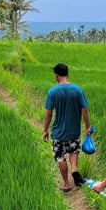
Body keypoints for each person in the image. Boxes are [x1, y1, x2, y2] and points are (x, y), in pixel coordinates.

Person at [42, 63, 91, 192]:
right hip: (74, 130)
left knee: (60, 157)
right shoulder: (77, 90)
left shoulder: (52, 92)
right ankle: (74, 169)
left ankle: (66, 184)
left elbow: (48, 114)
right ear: (67, 74)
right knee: (73, 151)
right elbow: (84, 111)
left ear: (56, 76)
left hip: (58, 132)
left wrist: (45, 130)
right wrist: (88, 127)